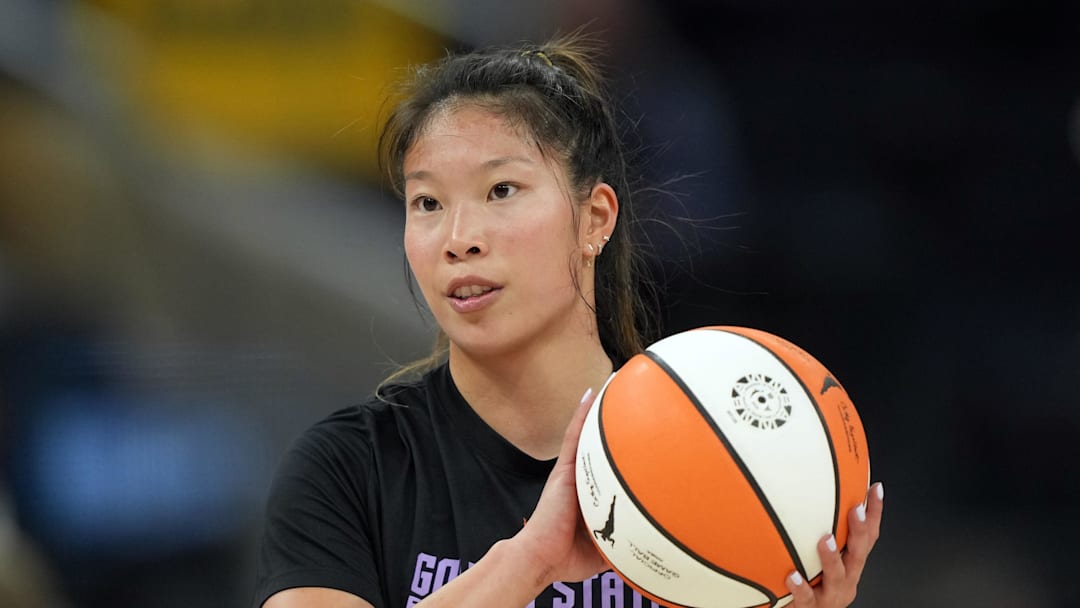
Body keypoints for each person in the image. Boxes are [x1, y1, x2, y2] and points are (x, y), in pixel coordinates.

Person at [252, 32, 884, 608]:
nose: (458, 238)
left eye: (501, 190)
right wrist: (531, 562)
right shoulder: (348, 468)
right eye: (426, 202)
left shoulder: (717, 447)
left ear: (596, 218)